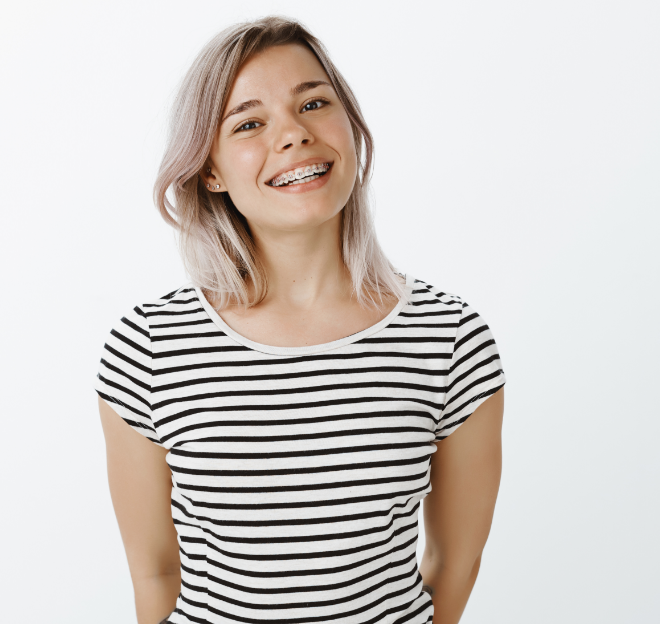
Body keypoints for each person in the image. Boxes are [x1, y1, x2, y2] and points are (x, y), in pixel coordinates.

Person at [95, 16, 506, 624]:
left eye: (313, 102)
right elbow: (155, 571)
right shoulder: (150, 347)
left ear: (351, 127)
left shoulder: (448, 340)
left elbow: (454, 564)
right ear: (209, 170)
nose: (293, 135)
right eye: (249, 123)